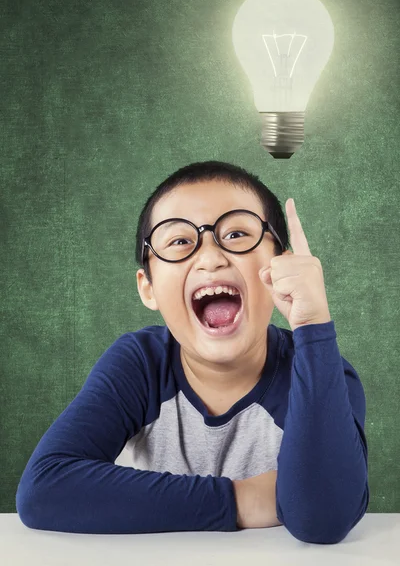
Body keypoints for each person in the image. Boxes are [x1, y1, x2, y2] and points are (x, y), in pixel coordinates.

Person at [16, 161, 369, 542]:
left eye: (236, 234)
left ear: (280, 265)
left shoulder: (324, 374)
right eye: (180, 241)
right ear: (147, 287)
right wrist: (241, 499)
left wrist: (313, 325)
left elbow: (324, 519)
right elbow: (44, 489)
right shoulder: (139, 364)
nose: (211, 257)